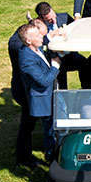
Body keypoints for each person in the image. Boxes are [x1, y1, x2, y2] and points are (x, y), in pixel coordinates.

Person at [19, 24, 62, 163]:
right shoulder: (27, 59)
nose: (41, 36)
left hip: (51, 95)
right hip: (43, 100)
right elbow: (43, 81)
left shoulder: (35, 49)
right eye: (38, 35)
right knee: (49, 130)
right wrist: (55, 66)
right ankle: (51, 158)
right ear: (28, 41)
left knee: (55, 127)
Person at [9, 18, 47, 166]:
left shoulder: (29, 36)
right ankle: (23, 157)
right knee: (27, 124)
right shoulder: (18, 46)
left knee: (29, 123)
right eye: (40, 36)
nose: (43, 38)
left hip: (30, 90)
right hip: (25, 92)